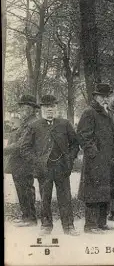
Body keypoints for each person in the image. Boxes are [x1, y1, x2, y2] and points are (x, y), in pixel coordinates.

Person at [20, 94, 80, 236]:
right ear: (41, 109)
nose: (49, 110)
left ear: (56, 108)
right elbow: (25, 148)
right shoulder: (34, 126)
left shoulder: (64, 124)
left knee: (65, 197)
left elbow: (75, 144)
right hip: (44, 168)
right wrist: (37, 162)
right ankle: (46, 225)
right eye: (46, 107)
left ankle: (69, 226)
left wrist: (70, 159)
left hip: (62, 167)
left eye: (52, 106)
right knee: (45, 197)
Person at [77, 83, 114, 234]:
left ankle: (102, 223)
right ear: (95, 97)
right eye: (102, 96)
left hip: (107, 159)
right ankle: (90, 225)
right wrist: (94, 154)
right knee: (93, 192)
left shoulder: (107, 112)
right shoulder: (89, 112)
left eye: (107, 96)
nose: (105, 99)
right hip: (95, 161)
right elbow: (83, 136)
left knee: (104, 191)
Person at [3, 94, 39, 227]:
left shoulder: (32, 123)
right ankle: (26, 216)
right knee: (21, 189)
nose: (22, 110)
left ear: (32, 109)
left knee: (26, 189)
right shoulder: (25, 122)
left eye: (26, 107)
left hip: (25, 162)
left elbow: (20, 144)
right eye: (22, 107)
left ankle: (30, 218)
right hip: (19, 162)